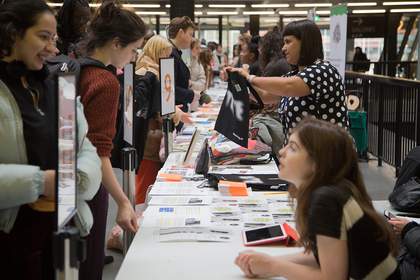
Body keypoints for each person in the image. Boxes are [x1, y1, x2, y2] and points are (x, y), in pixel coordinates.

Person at [0, 0, 101, 279]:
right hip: (11, 238)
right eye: (43, 37)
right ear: (12, 34)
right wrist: (41, 182)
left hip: (64, 228)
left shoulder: (59, 84)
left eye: (54, 39)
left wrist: (78, 179)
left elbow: (86, 147)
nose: (53, 49)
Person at [235, 118, 399, 279]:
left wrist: (272, 265)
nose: (281, 152)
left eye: (293, 148)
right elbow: (322, 255)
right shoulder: (330, 192)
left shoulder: (325, 200)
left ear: (316, 163)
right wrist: (268, 263)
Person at [76, 2, 146, 279]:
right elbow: (98, 152)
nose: (133, 57)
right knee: (88, 265)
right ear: (116, 43)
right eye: (132, 49)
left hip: (60, 185)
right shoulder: (105, 82)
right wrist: (123, 202)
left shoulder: (75, 68)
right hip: (89, 186)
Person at [230, 19, 349, 142]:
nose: (283, 48)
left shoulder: (324, 71)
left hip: (327, 154)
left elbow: (288, 86)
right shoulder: (294, 74)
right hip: (304, 154)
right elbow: (264, 96)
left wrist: (250, 78)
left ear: (305, 43)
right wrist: (239, 82)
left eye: (288, 42)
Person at [167, 16, 195, 113]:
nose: (192, 39)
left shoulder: (176, 53)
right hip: (173, 112)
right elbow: (168, 89)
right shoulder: (170, 54)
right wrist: (192, 95)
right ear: (181, 33)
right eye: (190, 34)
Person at [189, 38, 206, 111]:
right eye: (197, 48)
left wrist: (191, 84)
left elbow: (203, 84)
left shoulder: (198, 62)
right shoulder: (182, 61)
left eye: (200, 48)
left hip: (195, 102)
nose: (200, 51)